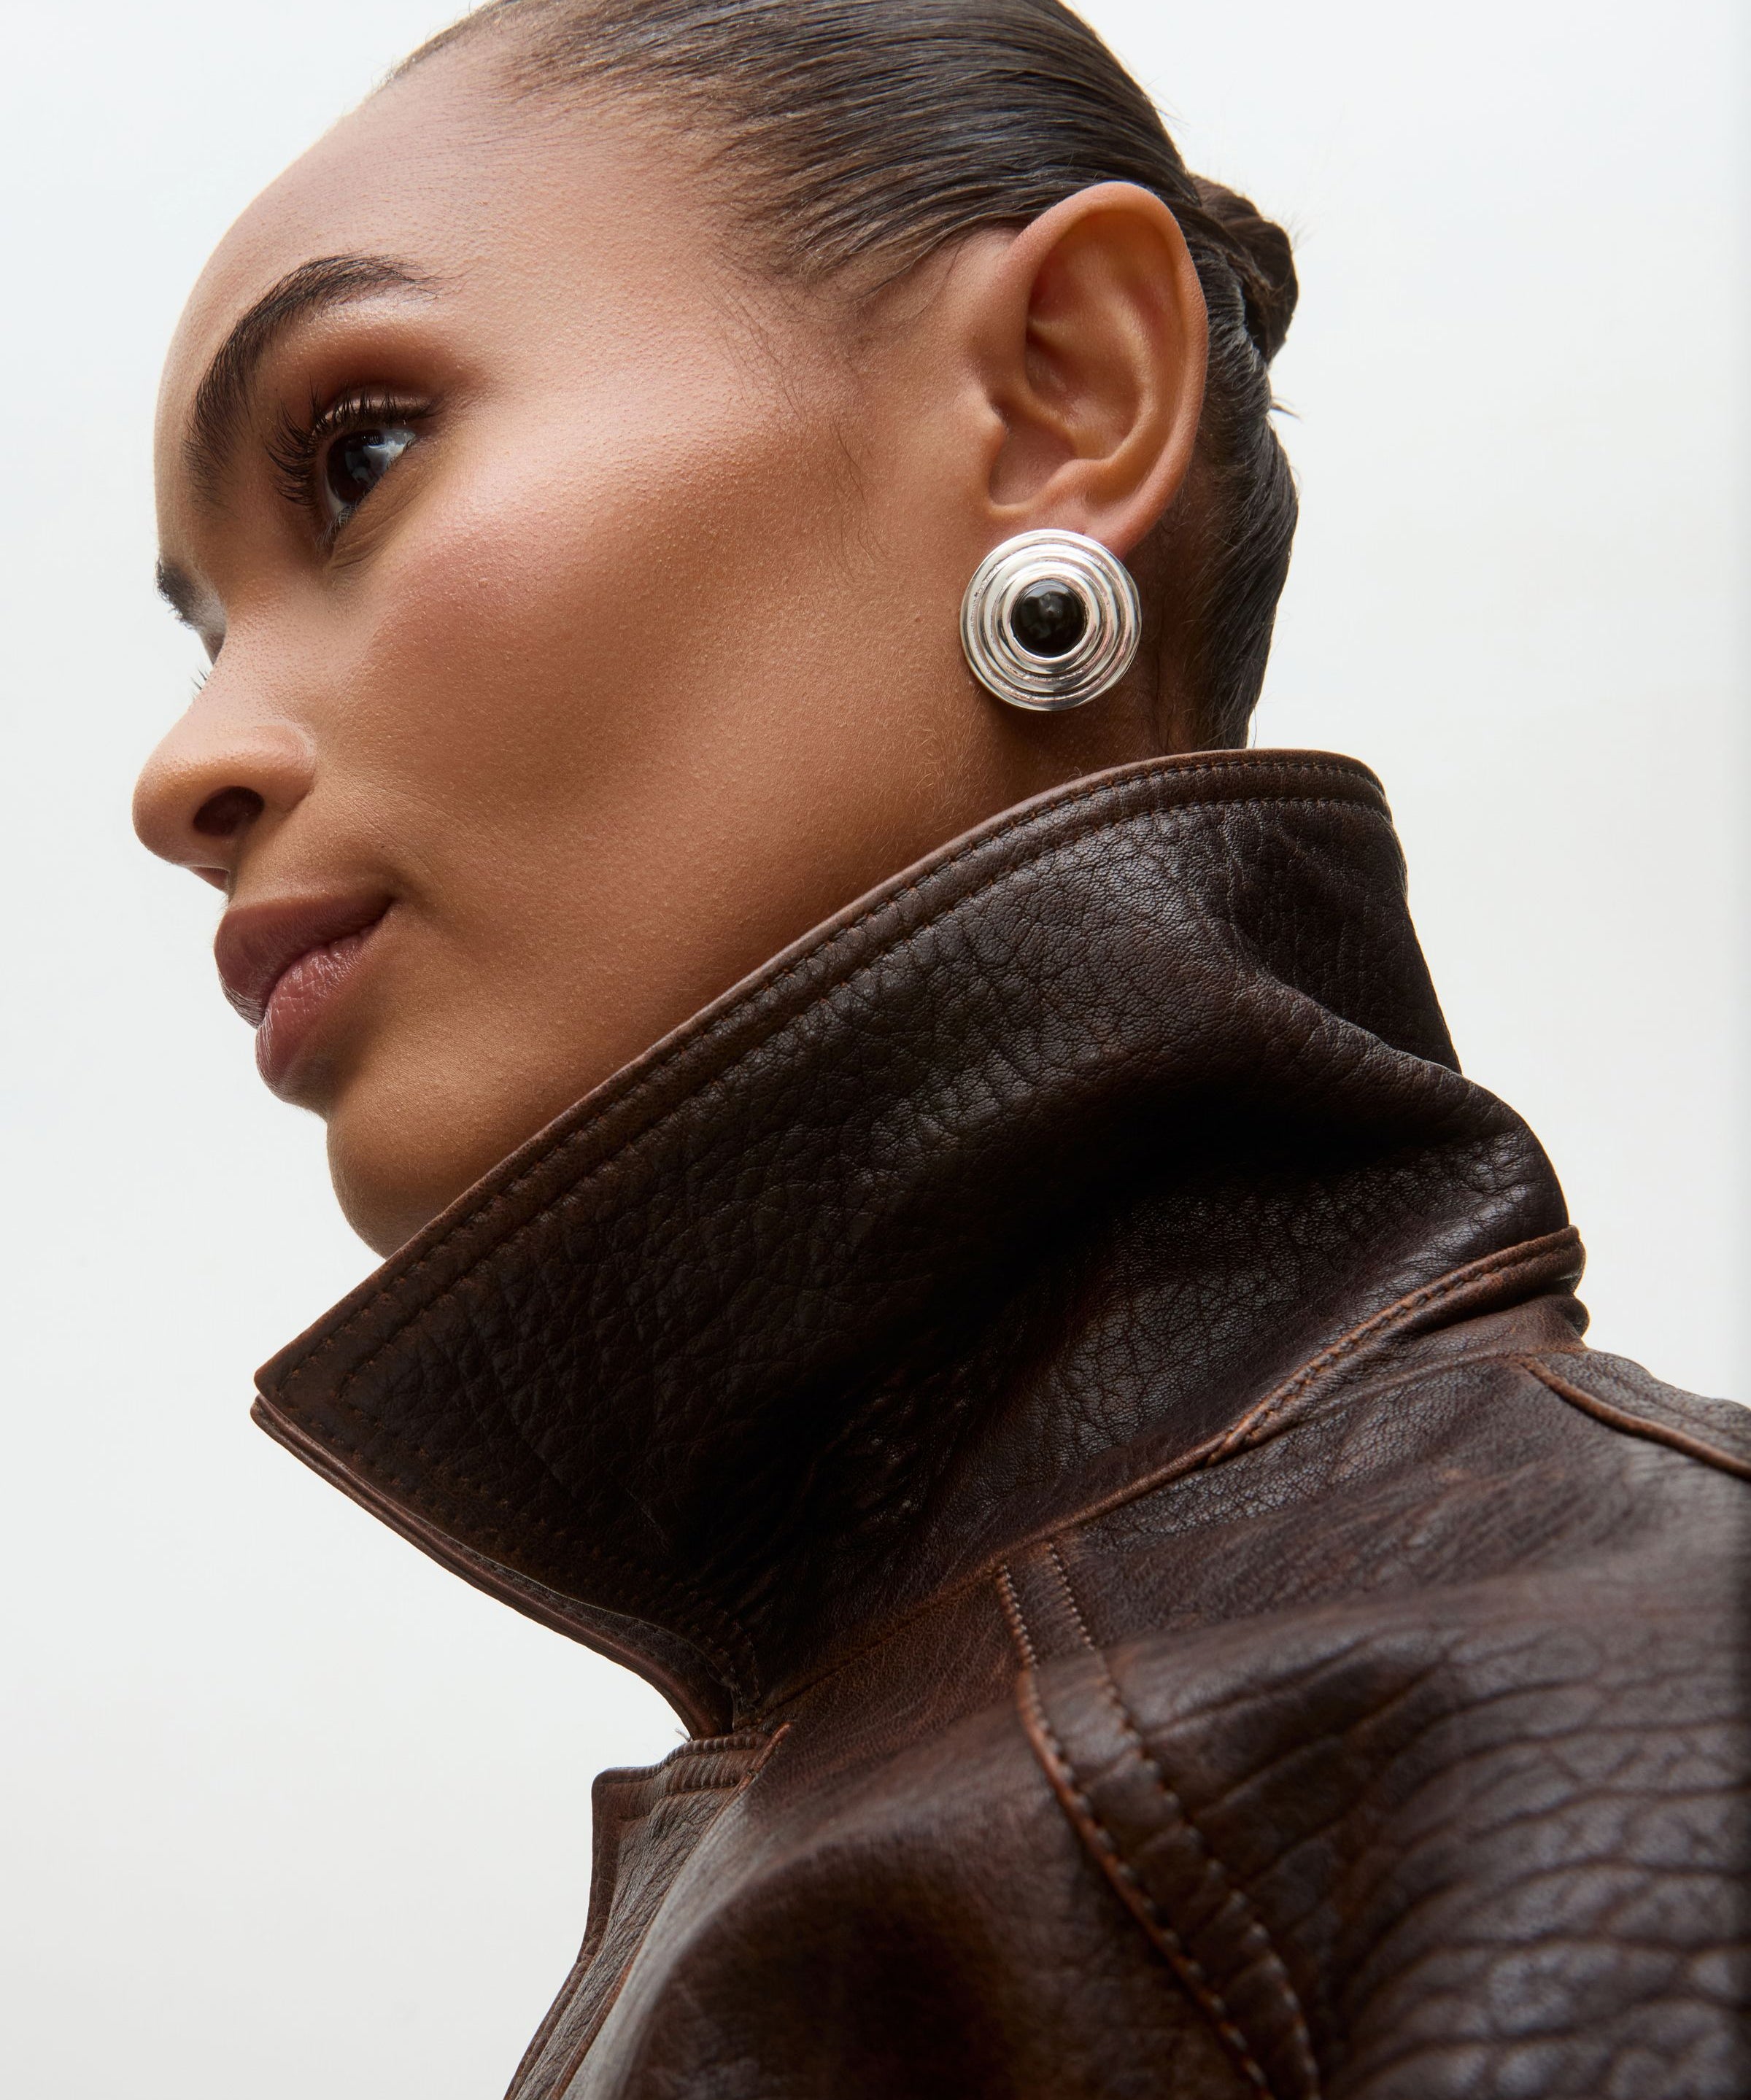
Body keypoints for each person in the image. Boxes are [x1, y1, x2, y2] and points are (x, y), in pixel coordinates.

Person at [131, 2, 1750, 2093]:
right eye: (202, 624)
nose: (183, 772)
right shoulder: (910, 1756)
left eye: (360, 456)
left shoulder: (1600, 1703)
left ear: (1062, 397)